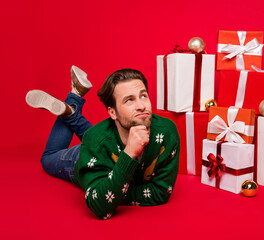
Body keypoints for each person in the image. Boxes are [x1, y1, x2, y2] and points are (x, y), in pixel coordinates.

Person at [26, 66, 180, 220]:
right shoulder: (95, 142)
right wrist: (129, 153)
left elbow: (161, 193)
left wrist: (112, 192)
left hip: (106, 142)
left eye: (144, 96)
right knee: (48, 159)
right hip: (87, 159)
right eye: (129, 100)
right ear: (112, 112)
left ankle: (72, 111)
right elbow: (100, 207)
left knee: (102, 138)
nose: (141, 106)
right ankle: (73, 101)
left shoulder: (167, 131)